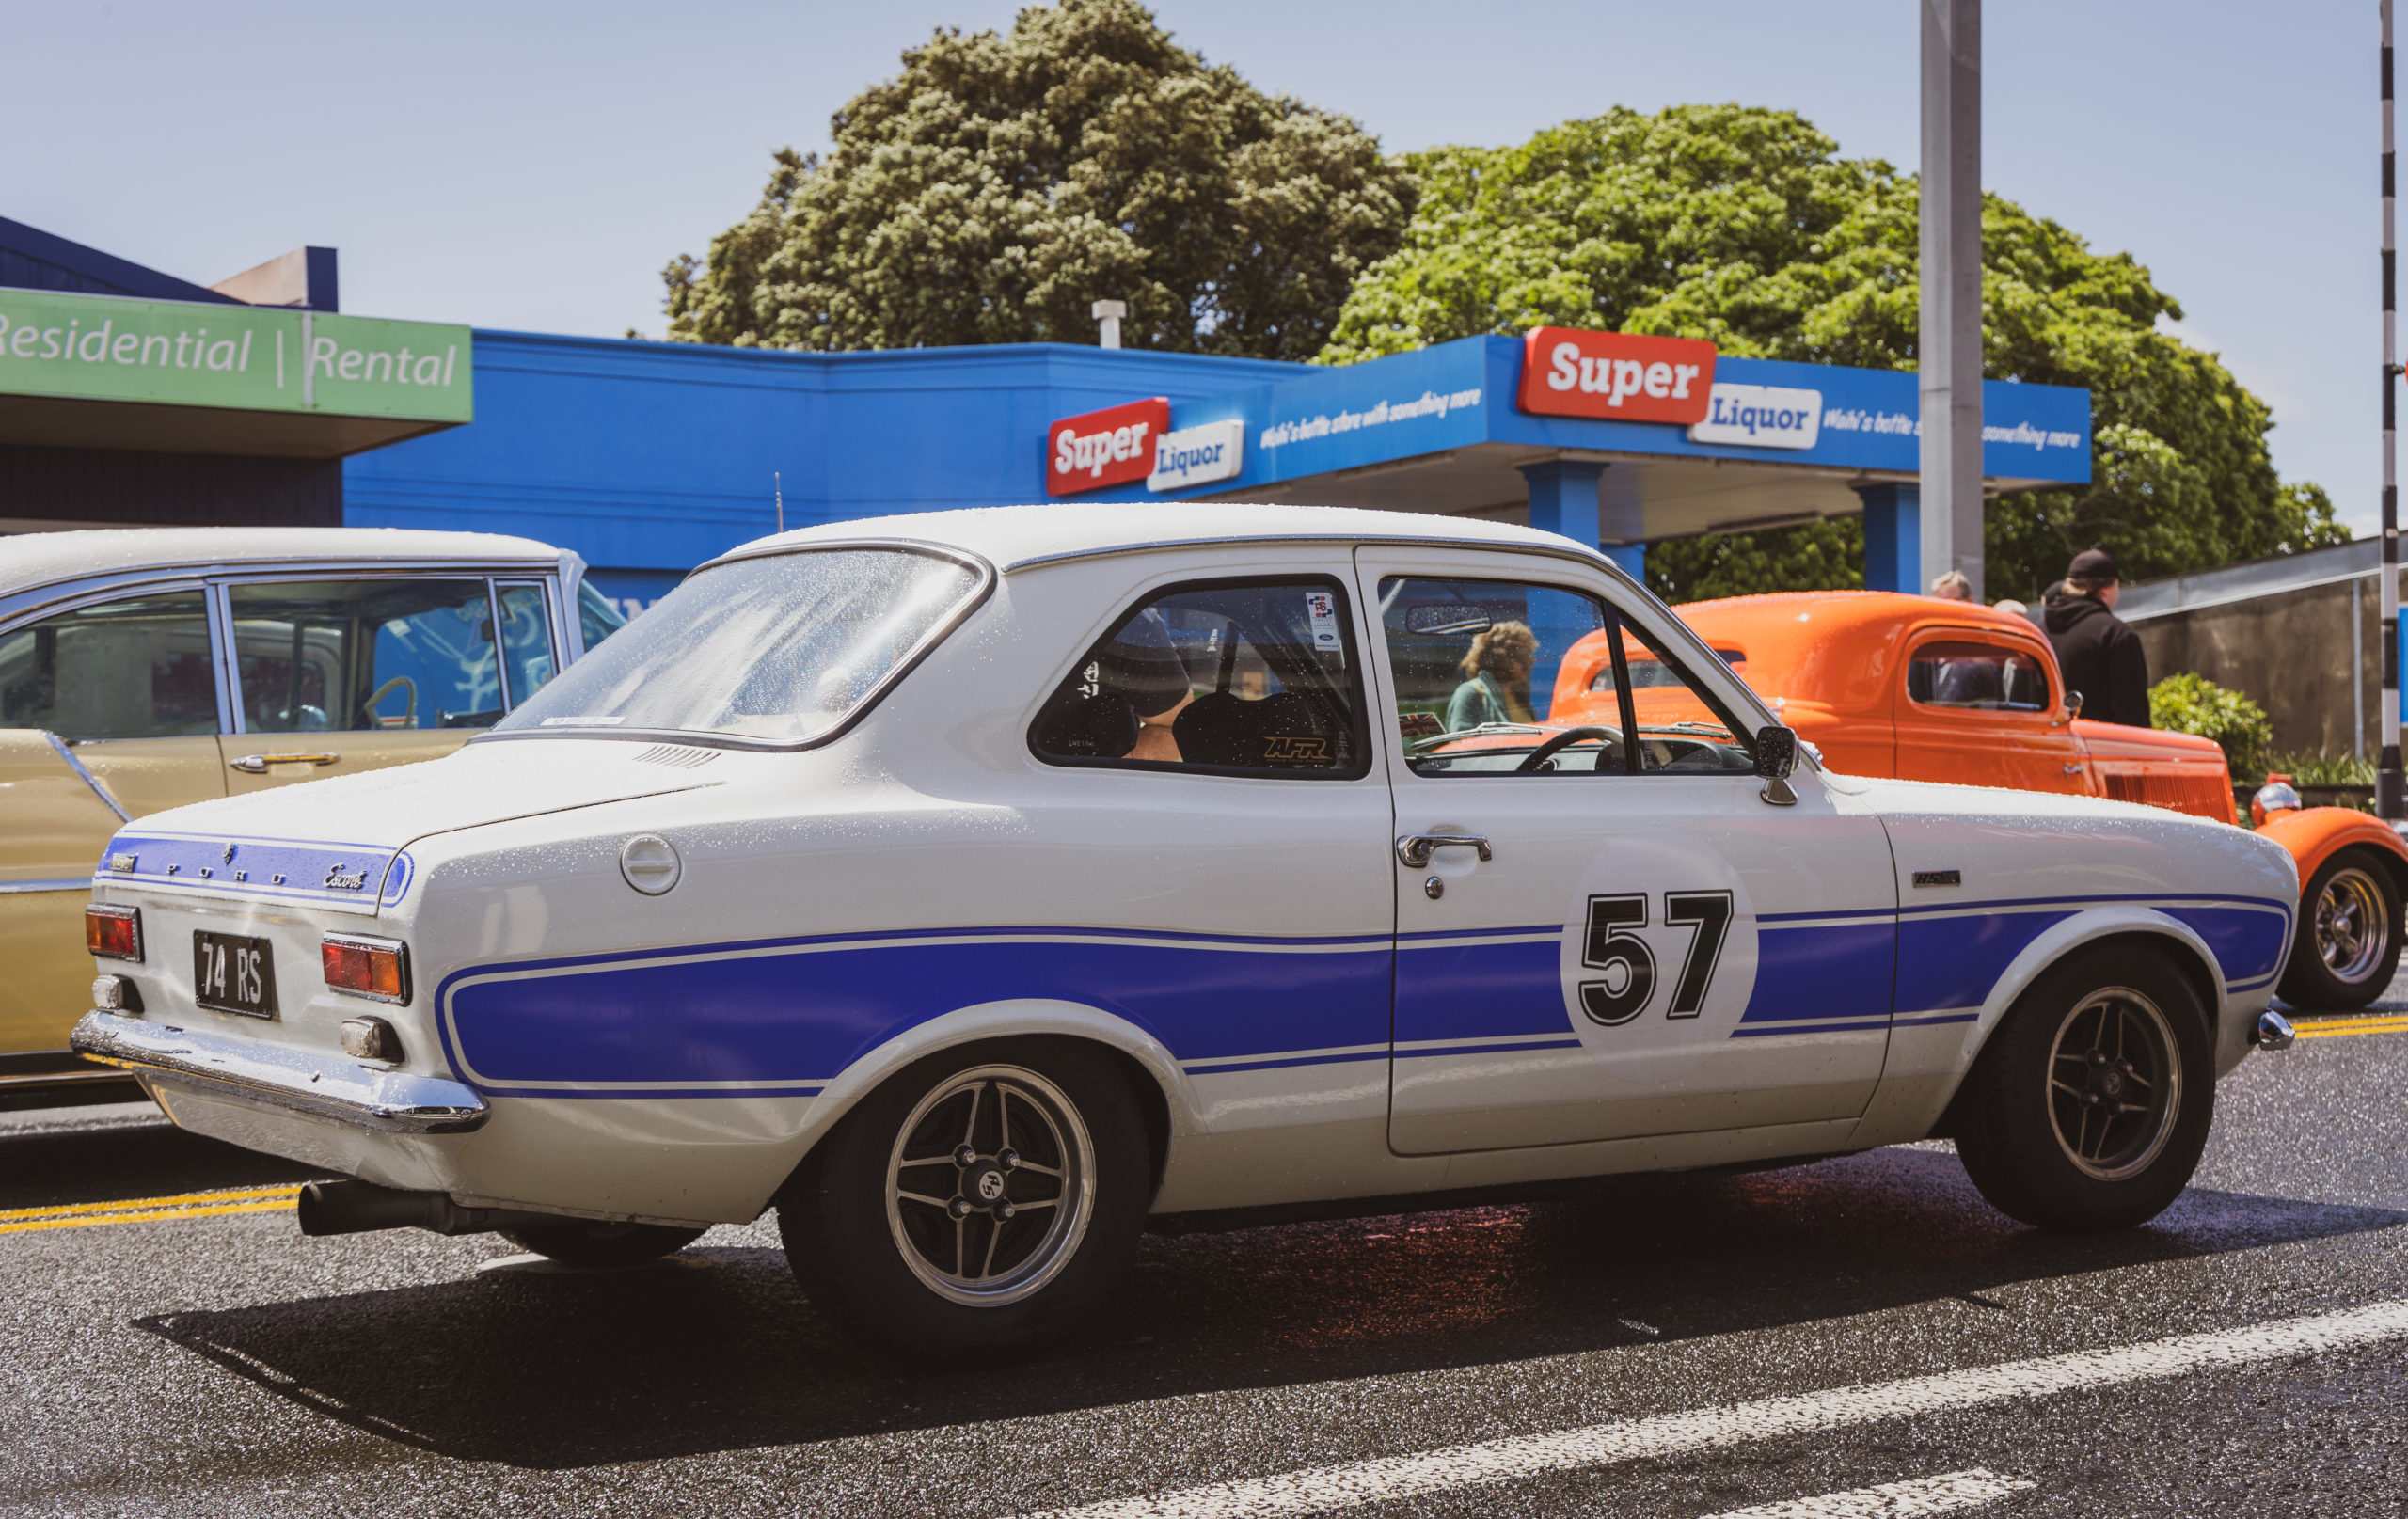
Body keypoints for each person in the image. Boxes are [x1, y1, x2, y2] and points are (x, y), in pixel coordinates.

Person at [2042, 546, 2150, 727]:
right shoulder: (2117, 635)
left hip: (2042, 746)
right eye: (2117, 585)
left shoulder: (2038, 632)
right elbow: (2132, 713)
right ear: (2106, 589)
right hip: (2100, 748)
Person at [1446, 621, 1537, 730]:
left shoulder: (1520, 697)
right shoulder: (1470, 693)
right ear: (1502, 658)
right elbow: (1461, 743)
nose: (1532, 661)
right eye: (1524, 657)